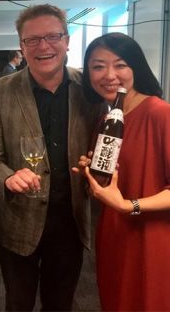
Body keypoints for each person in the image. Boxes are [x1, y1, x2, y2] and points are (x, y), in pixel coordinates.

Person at [0, 4, 99, 311]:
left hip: (71, 222)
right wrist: (8, 177)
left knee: (60, 304)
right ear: (21, 46)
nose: (43, 46)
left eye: (52, 36)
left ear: (67, 40)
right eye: (32, 39)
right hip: (18, 220)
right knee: (17, 304)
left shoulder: (89, 89)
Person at [74, 32, 170, 311]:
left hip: (152, 239)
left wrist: (130, 206)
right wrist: (92, 175)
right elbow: (113, 181)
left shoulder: (160, 113)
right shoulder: (107, 119)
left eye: (120, 65)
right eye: (98, 66)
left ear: (136, 67)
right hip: (114, 233)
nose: (109, 75)